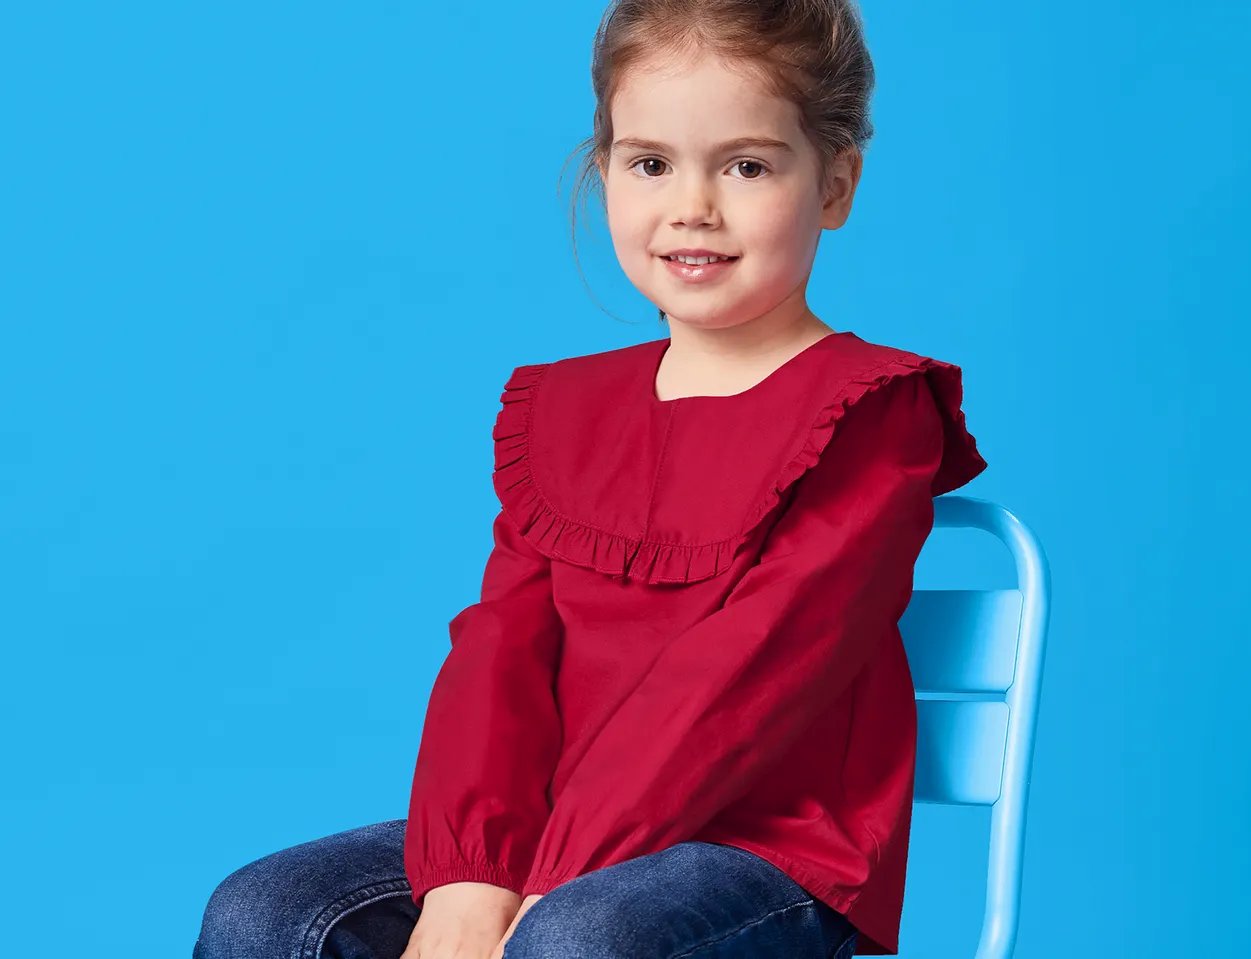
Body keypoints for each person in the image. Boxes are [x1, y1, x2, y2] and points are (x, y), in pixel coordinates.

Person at [192, 1, 990, 957]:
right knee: (263, 911)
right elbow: (500, 653)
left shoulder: (870, 409)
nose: (692, 206)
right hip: (546, 824)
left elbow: (745, 676)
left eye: (746, 166)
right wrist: (471, 875)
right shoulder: (565, 409)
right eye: (651, 164)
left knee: (578, 938)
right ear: (604, 170)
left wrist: (555, 880)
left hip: (767, 846)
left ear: (835, 184)